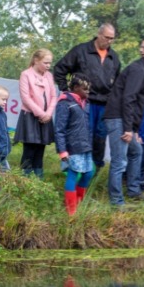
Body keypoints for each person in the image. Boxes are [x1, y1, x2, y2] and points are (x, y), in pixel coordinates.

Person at [104, 45, 144, 207]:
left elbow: (138, 104)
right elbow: (128, 99)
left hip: (125, 121)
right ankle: (116, 201)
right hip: (118, 118)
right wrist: (127, 128)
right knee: (119, 161)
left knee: (136, 151)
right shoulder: (138, 70)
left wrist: (135, 130)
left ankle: (133, 190)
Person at [54, 23, 121, 171]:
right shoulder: (81, 50)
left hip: (104, 104)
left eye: (112, 39)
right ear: (99, 34)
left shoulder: (114, 57)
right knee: (81, 136)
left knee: (100, 138)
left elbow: (117, 83)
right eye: (106, 37)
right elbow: (59, 69)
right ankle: (72, 168)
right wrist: (66, 91)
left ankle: (94, 170)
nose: (109, 41)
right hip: (83, 102)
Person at [54, 73, 95, 216]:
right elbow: (59, 129)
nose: (88, 92)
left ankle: (78, 201)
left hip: (85, 145)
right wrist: (62, 151)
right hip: (72, 147)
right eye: (85, 89)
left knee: (89, 173)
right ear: (76, 87)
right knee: (73, 174)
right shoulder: (65, 103)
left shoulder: (86, 104)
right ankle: (71, 210)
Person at [14, 49, 57, 179]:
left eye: (50, 63)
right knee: (29, 150)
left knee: (40, 150)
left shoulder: (49, 76)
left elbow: (54, 96)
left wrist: (48, 113)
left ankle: (39, 180)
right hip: (31, 116)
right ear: (36, 61)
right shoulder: (26, 75)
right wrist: (41, 114)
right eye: (46, 63)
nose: (48, 66)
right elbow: (26, 98)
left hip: (46, 117)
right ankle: (24, 180)